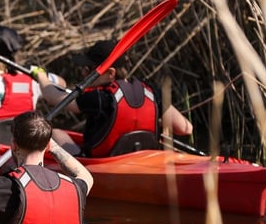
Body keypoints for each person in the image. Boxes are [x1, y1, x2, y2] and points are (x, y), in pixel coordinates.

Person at [32, 40, 193, 157]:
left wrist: (42, 77)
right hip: (145, 159)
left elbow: (54, 98)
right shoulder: (152, 92)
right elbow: (185, 128)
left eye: (89, 69)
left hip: (103, 162)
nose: (83, 74)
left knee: (55, 133)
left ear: (110, 73)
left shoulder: (102, 98)